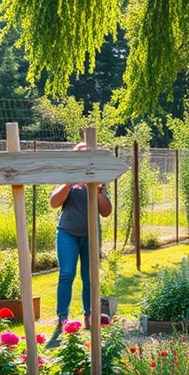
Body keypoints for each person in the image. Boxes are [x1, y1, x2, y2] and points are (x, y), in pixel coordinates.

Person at [47, 142, 112, 347]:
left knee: (90, 276)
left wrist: (99, 190)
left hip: (91, 234)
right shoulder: (68, 176)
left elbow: (106, 211)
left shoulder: (98, 178)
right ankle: (62, 318)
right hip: (67, 233)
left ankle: (89, 315)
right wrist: (69, 183)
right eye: (81, 155)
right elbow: (54, 202)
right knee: (66, 273)